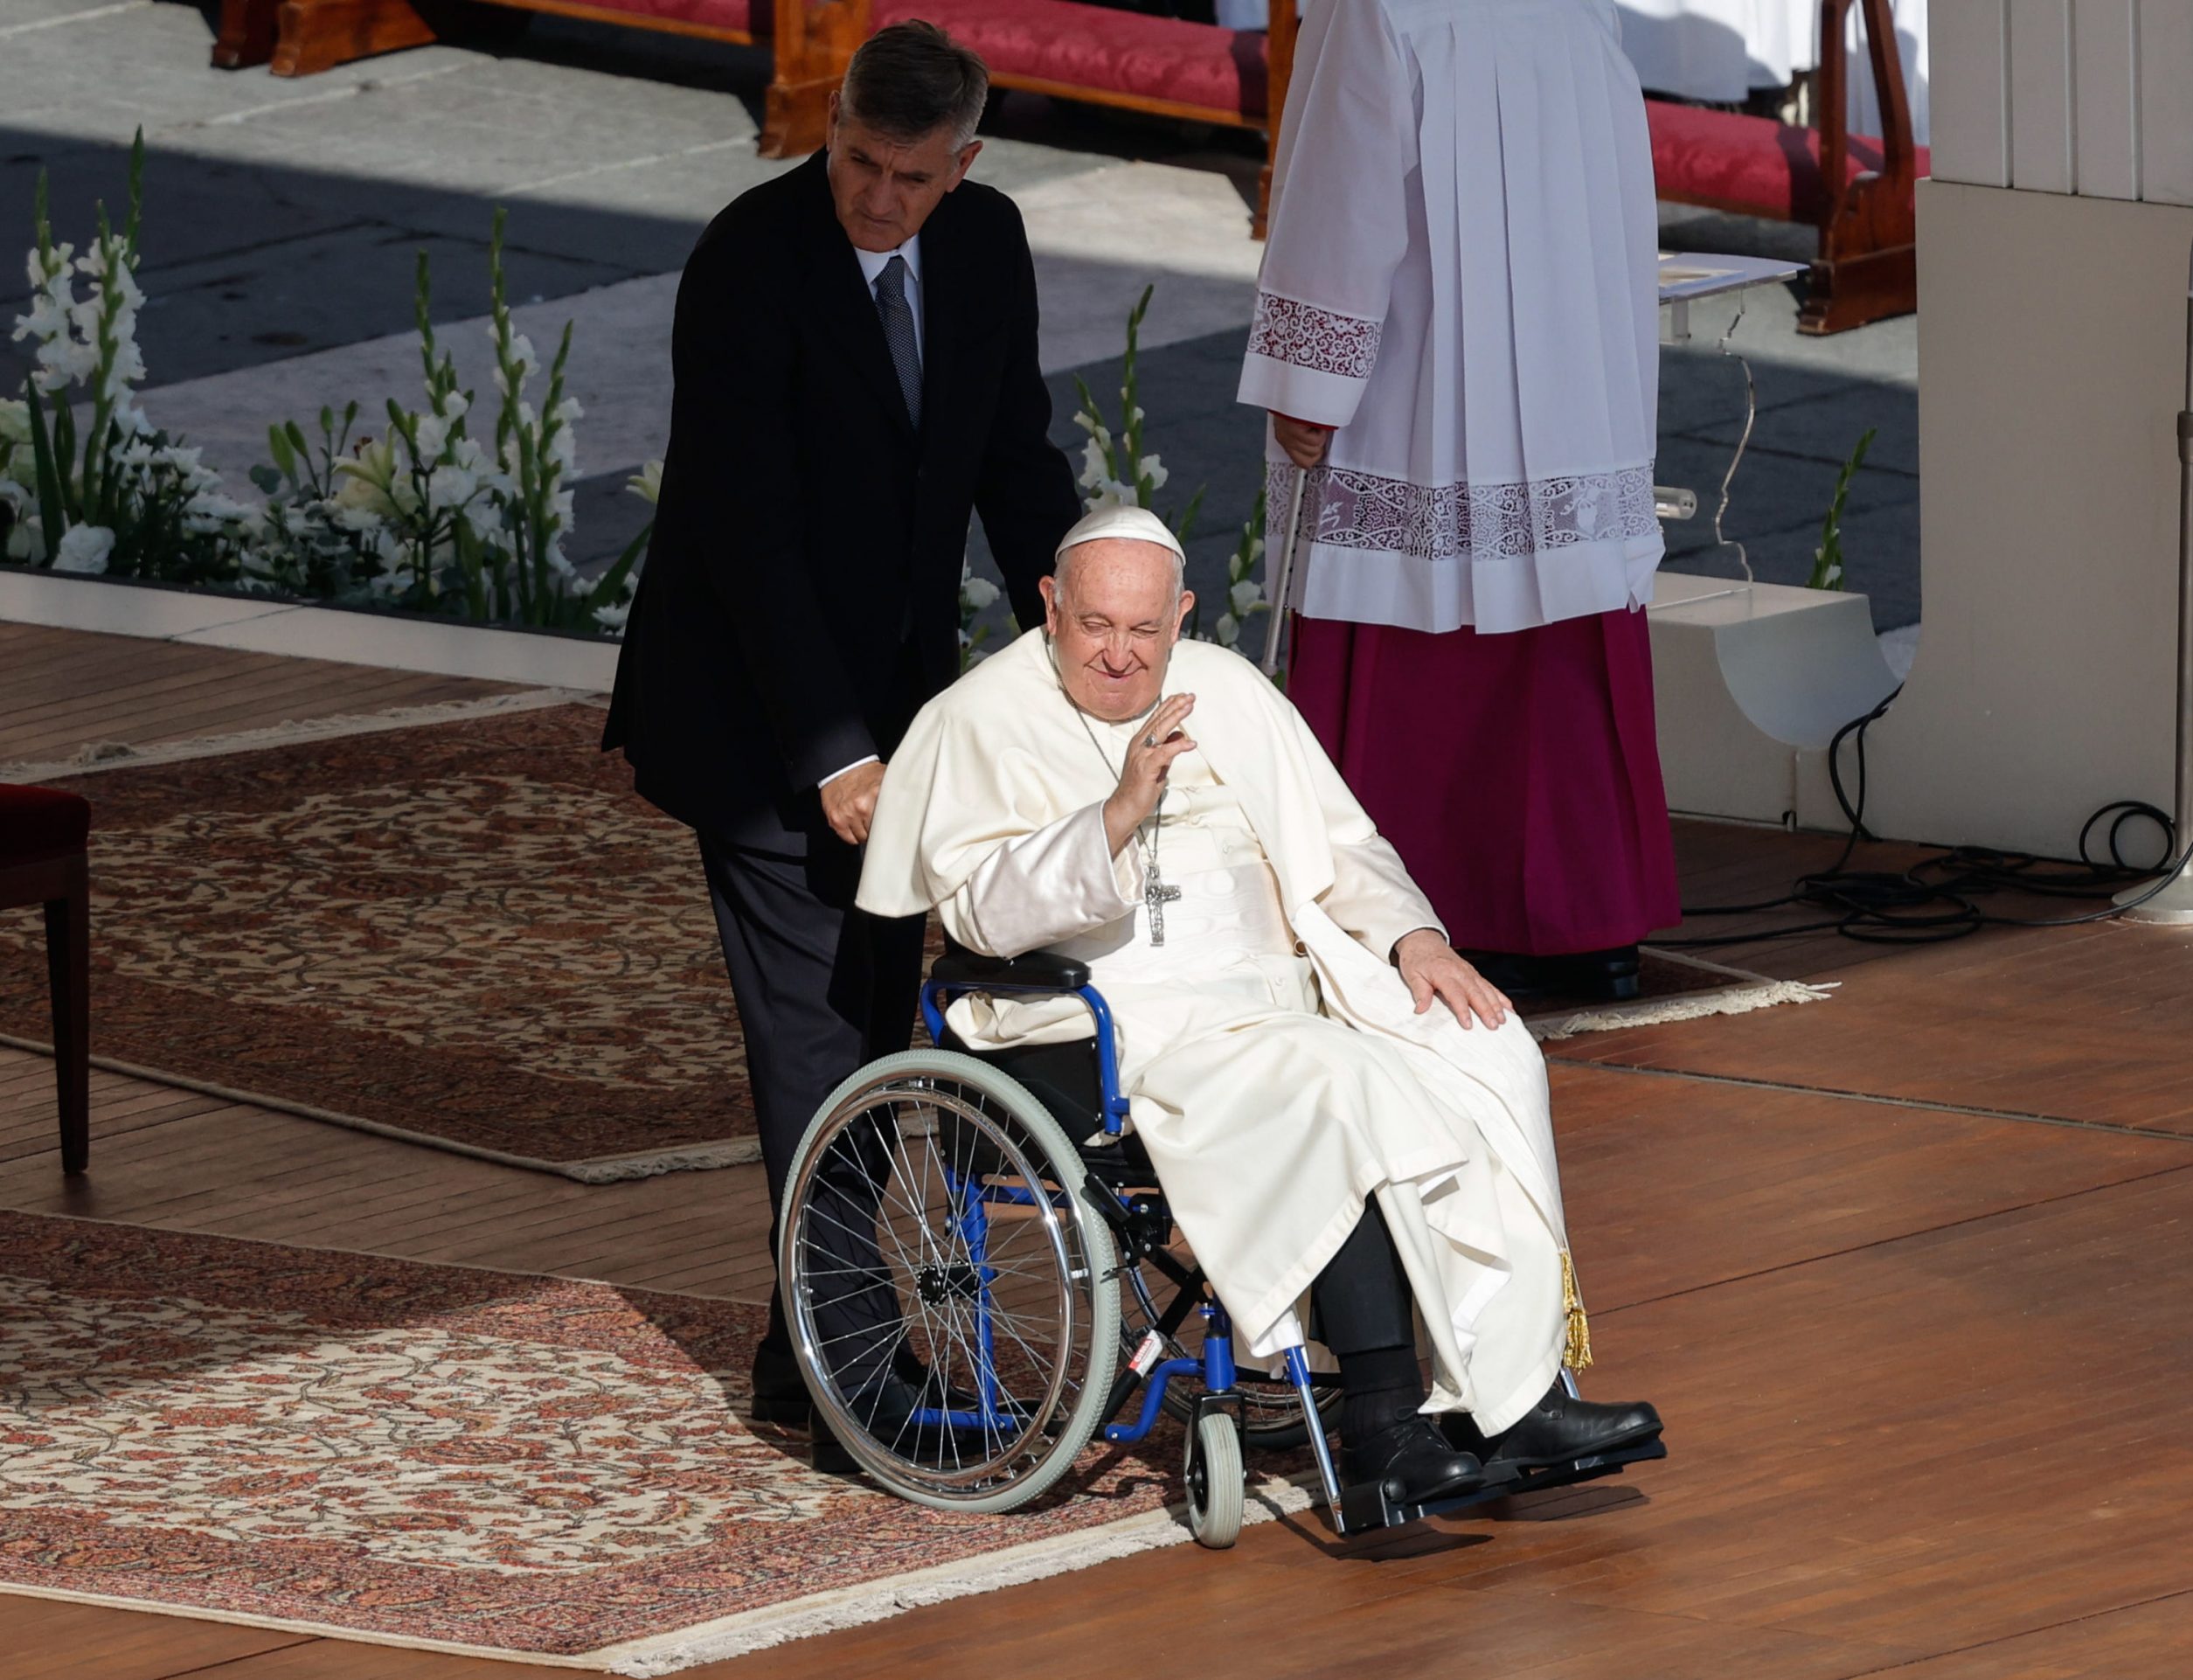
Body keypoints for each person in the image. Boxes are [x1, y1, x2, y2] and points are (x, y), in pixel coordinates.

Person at [859, 507, 1662, 1503]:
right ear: (1051, 605)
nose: (1118, 655)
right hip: (1116, 1027)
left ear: (1182, 616)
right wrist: (1113, 814)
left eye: (1145, 631)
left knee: (1480, 1048)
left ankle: (1509, 1387)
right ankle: (1380, 1421)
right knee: (1343, 1081)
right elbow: (982, 910)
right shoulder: (975, 718)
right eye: (1095, 625)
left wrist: (1415, 937)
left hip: (1285, 994)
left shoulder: (1229, 692)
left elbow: (1343, 848)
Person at [603, 23, 1080, 1430]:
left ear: (965, 164)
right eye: (861, 162)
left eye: (913, 177)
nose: (881, 197)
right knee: (819, 1039)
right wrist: (834, 751)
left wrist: (1093, 635)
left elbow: (1012, 456)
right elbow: (749, 538)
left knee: (878, 1028)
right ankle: (860, 1380)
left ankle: (799, 1352)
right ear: (833, 127)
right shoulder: (749, 262)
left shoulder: (986, 244)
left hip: (898, 710)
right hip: (763, 724)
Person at [1238, 0, 1679, 1001]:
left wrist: (1309, 386)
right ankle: (1584, 928)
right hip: (1574, 391)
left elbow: (1342, 201)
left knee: (1417, 632)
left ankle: (1406, 918)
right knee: (1558, 647)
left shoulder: (1377, 11)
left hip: (1425, 392)